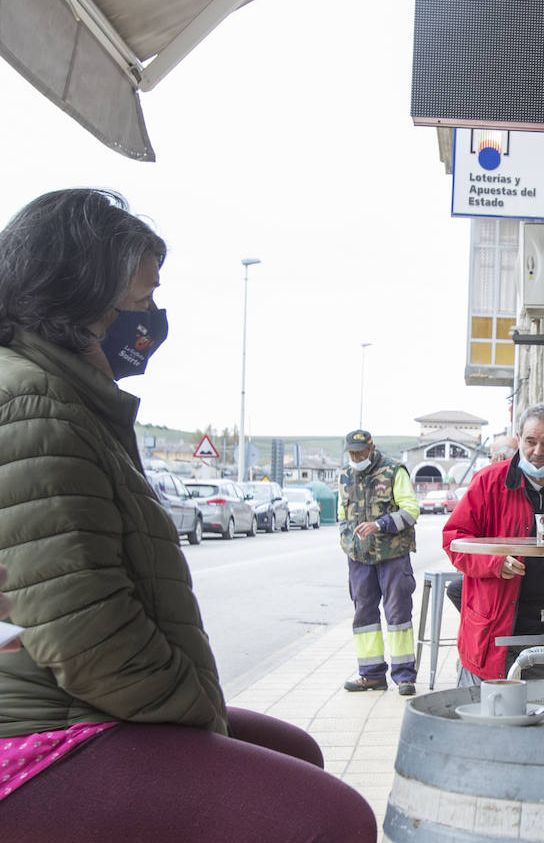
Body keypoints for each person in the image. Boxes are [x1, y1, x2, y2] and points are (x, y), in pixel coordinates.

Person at [0, 189, 375, 841]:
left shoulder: (72, 399)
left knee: (296, 755)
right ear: (80, 297)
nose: (151, 320)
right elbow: (90, 642)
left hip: (79, 707)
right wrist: (195, 709)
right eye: (141, 300)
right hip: (42, 729)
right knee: (330, 820)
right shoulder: (37, 406)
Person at [442, 404, 544, 685]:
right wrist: (495, 563)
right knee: (485, 715)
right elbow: (454, 539)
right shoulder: (488, 482)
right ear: (519, 438)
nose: (538, 451)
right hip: (494, 623)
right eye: (530, 441)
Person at [338, 428, 422, 695]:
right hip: (359, 557)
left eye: (360, 452)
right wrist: (346, 540)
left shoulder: (394, 471)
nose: (356, 456)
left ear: (371, 449)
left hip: (393, 555)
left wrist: (379, 525)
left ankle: (404, 676)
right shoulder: (344, 476)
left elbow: (411, 510)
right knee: (364, 615)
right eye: (352, 452)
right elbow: (342, 512)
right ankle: (371, 675)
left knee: (398, 614)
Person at [444, 434, 519, 613]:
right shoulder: (489, 482)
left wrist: (490, 563)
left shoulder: (487, 480)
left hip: (503, 571)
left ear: (500, 458)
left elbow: (457, 537)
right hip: (500, 566)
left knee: (457, 589)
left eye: (491, 457)